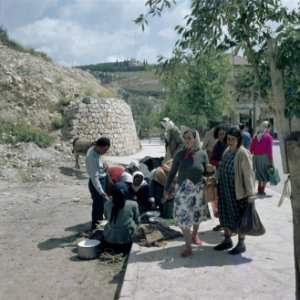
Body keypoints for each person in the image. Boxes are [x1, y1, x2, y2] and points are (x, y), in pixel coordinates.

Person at [164, 129, 212, 258]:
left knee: (197, 215)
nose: (187, 140)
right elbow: (172, 173)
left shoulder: (202, 154)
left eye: (190, 138)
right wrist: (167, 189)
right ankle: (188, 247)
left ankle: (195, 235)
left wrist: (210, 170)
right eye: (185, 138)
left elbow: (207, 173)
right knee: (183, 217)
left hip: (198, 190)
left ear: (195, 139)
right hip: (183, 191)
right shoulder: (179, 155)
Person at [214, 127, 256, 255]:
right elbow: (222, 167)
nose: (230, 141)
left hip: (238, 192)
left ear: (239, 140)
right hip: (225, 190)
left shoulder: (243, 153)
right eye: (229, 139)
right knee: (225, 215)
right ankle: (227, 240)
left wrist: (250, 194)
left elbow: (249, 175)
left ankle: (241, 244)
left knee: (240, 217)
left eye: (233, 139)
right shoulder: (227, 151)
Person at [102, 182, 140, 254]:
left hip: (110, 238)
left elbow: (107, 217)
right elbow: (137, 221)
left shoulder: (107, 204)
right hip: (127, 239)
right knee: (133, 224)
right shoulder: (133, 204)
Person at [85, 137, 111, 231]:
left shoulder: (95, 150)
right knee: (98, 207)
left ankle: (100, 227)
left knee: (101, 206)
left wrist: (104, 164)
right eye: (105, 150)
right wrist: (101, 192)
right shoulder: (91, 157)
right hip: (97, 184)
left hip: (101, 180)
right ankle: (95, 230)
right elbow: (94, 178)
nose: (105, 152)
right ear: (100, 147)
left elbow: (100, 159)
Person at [209, 123, 229, 231]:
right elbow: (211, 160)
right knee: (219, 200)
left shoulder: (230, 144)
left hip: (229, 176)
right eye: (220, 134)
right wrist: (218, 163)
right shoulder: (216, 146)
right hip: (218, 175)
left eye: (223, 134)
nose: (221, 136)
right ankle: (222, 222)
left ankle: (230, 225)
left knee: (228, 200)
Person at [250, 120, 274, 195]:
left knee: (260, 174)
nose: (270, 130)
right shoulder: (268, 137)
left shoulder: (256, 136)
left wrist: (251, 156)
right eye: (269, 128)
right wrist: (271, 160)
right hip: (265, 158)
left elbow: (251, 148)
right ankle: (261, 190)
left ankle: (259, 189)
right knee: (265, 174)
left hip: (256, 157)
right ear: (266, 128)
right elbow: (269, 150)